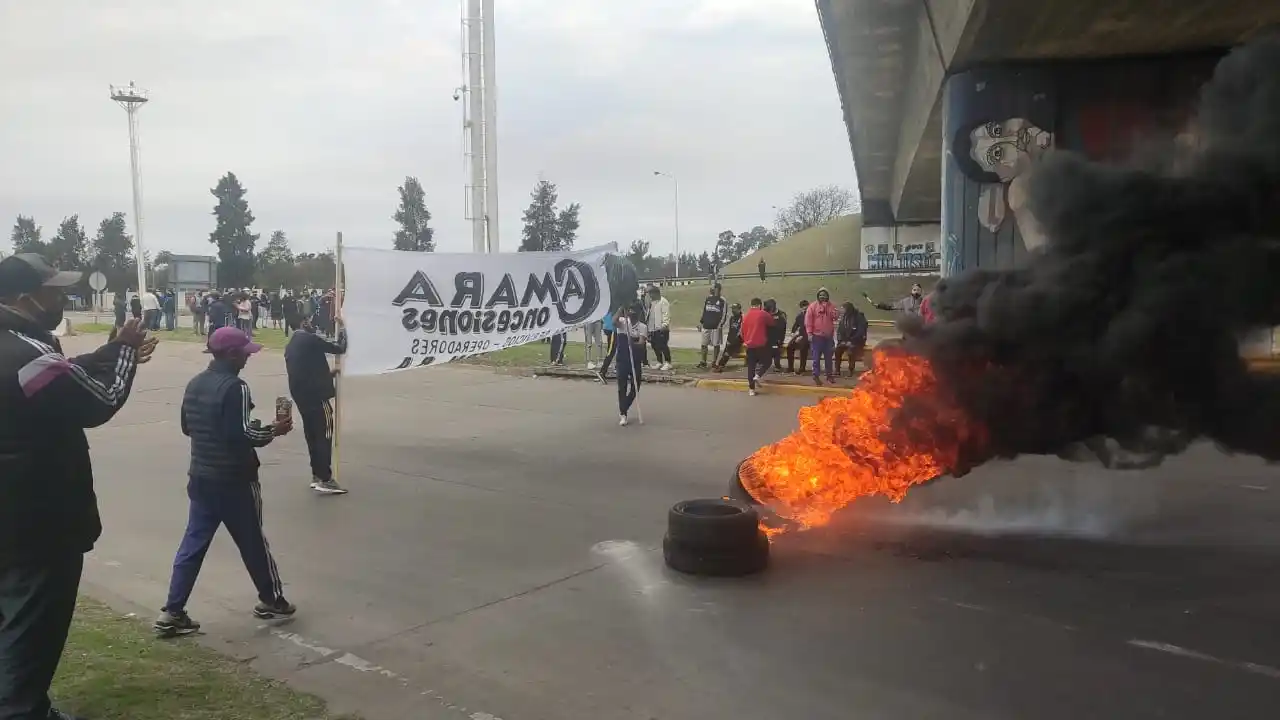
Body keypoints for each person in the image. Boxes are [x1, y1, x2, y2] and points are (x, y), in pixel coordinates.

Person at [0, 254, 155, 720]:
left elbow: (60, 374)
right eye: (55, 289)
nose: (64, 296)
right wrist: (126, 353)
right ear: (25, 297)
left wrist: (108, 351)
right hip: (38, 522)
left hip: (12, 518)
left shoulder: (21, 346)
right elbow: (98, 401)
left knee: (12, 627)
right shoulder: (25, 356)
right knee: (31, 635)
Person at [153, 327, 296, 638]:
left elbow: (187, 427)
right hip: (235, 479)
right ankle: (272, 599)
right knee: (253, 542)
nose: (248, 357)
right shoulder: (236, 387)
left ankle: (172, 610)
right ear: (231, 355)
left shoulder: (195, 384)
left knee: (193, 544)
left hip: (201, 476)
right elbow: (245, 435)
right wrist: (274, 429)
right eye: (244, 352)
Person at [285, 318, 348, 495]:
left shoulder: (292, 344)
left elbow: (304, 371)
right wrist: (342, 327)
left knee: (312, 435)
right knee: (324, 436)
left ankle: (317, 474)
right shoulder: (309, 339)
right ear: (304, 322)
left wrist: (328, 375)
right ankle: (326, 478)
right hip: (317, 397)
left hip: (302, 397)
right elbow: (340, 347)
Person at [614, 303, 647, 426]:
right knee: (622, 387)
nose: (631, 315)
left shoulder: (643, 327)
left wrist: (632, 343)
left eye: (634, 313)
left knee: (635, 387)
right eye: (629, 312)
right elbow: (614, 322)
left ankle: (624, 406)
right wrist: (619, 309)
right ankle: (623, 413)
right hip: (622, 359)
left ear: (638, 314)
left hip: (635, 360)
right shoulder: (623, 323)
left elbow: (642, 343)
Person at [805, 287, 838, 386]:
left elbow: (835, 317)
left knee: (829, 358)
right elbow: (808, 321)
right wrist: (809, 333)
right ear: (818, 296)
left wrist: (834, 312)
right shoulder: (812, 306)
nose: (822, 297)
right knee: (816, 358)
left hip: (828, 337)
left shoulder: (831, 306)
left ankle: (829, 375)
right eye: (820, 295)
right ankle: (816, 375)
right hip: (816, 337)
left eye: (824, 295)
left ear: (827, 296)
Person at [740, 297, 771, 397]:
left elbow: (742, 331)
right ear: (759, 305)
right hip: (760, 344)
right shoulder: (763, 313)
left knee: (751, 367)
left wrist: (746, 340)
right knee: (767, 362)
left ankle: (751, 390)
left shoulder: (745, 316)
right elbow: (772, 322)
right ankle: (758, 376)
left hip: (749, 345)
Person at [696, 283, 728, 370]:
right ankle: (703, 361)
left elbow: (724, 313)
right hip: (706, 325)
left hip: (716, 326)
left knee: (716, 345)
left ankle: (714, 362)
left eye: (714, 288)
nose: (712, 289)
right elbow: (705, 311)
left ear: (718, 289)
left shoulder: (722, 300)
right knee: (703, 344)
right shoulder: (708, 298)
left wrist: (720, 325)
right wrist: (701, 323)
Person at [834, 302, 869, 376]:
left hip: (857, 341)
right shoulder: (844, 317)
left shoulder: (858, 316)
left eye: (843, 309)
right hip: (845, 341)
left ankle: (851, 370)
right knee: (837, 350)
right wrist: (841, 341)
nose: (841, 310)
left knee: (851, 351)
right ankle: (837, 370)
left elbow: (861, 331)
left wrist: (851, 341)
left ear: (848, 309)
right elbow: (839, 331)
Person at [646, 286, 672, 371]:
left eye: (651, 293)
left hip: (661, 328)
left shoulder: (663, 302)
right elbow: (650, 315)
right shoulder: (652, 303)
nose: (650, 295)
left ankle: (668, 362)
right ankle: (659, 361)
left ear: (656, 293)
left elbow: (666, 314)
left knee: (663, 345)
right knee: (655, 346)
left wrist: (664, 325)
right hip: (652, 328)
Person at [711, 302, 743, 372]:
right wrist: (729, 340)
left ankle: (720, 365)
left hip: (739, 339)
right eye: (732, 309)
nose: (733, 311)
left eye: (735, 309)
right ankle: (719, 365)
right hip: (731, 339)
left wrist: (735, 339)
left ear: (739, 309)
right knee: (726, 349)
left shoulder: (742, 318)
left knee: (729, 349)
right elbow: (731, 331)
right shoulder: (732, 318)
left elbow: (741, 331)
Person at [786, 300, 810, 373]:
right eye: (803, 308)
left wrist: (802, 336)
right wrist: (793, 335)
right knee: (789, 347)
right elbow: (794, 327)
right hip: (800, 336)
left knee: (803, 347)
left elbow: (811, 329)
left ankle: (802, 368)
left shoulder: (812, 316)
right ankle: (790, 368)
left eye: (806, 308)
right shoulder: (799, 316)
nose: (805, 309)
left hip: (809, 336)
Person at [594, 312, 617, 383]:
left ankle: (604, 371)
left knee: (614, 351)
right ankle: (602, 372)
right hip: (612, 330)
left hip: (611, 328)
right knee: (611, 352)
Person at [766, 299, 787, 371]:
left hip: (777, 338)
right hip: (767, 337)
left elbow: (782, 328)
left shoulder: (781, 314)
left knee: (775, 348)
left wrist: (780, 339)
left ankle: (777, 365)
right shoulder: (765, 313)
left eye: (770, 307)